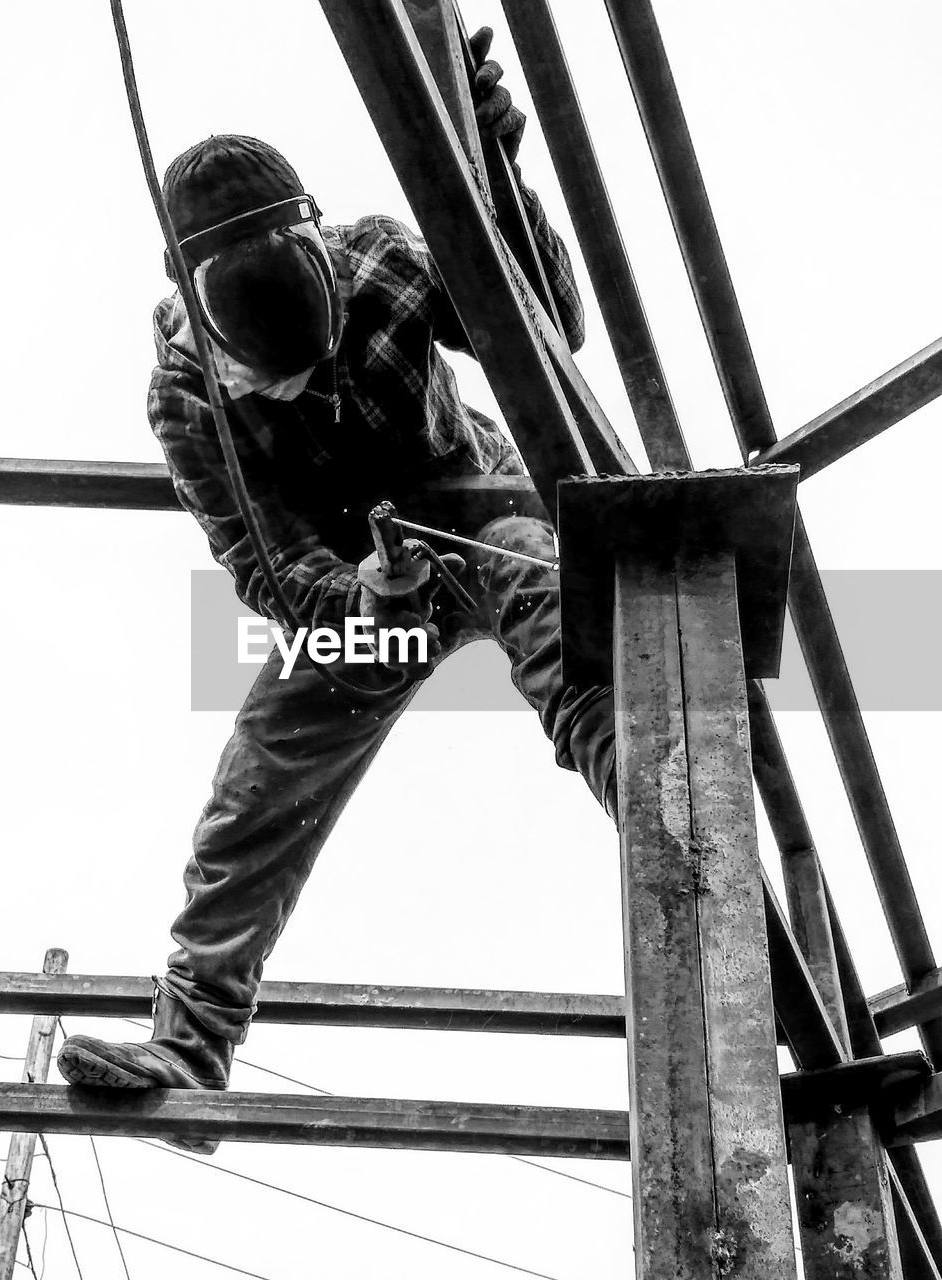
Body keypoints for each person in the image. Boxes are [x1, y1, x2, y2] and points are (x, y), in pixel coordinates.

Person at [56, 30, 617, 1142]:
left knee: (578, 647)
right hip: (363, 590)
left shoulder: (385, 260)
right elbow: (267, 561)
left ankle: (679, 859)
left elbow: (549, 329)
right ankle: (191, 1040)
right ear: (204, 324)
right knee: (264, 774)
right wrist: (362, 596)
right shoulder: (184, 397)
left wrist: (497, 168)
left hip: (474, 508)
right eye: (276, 379)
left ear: (317, 241)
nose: (302, 387)